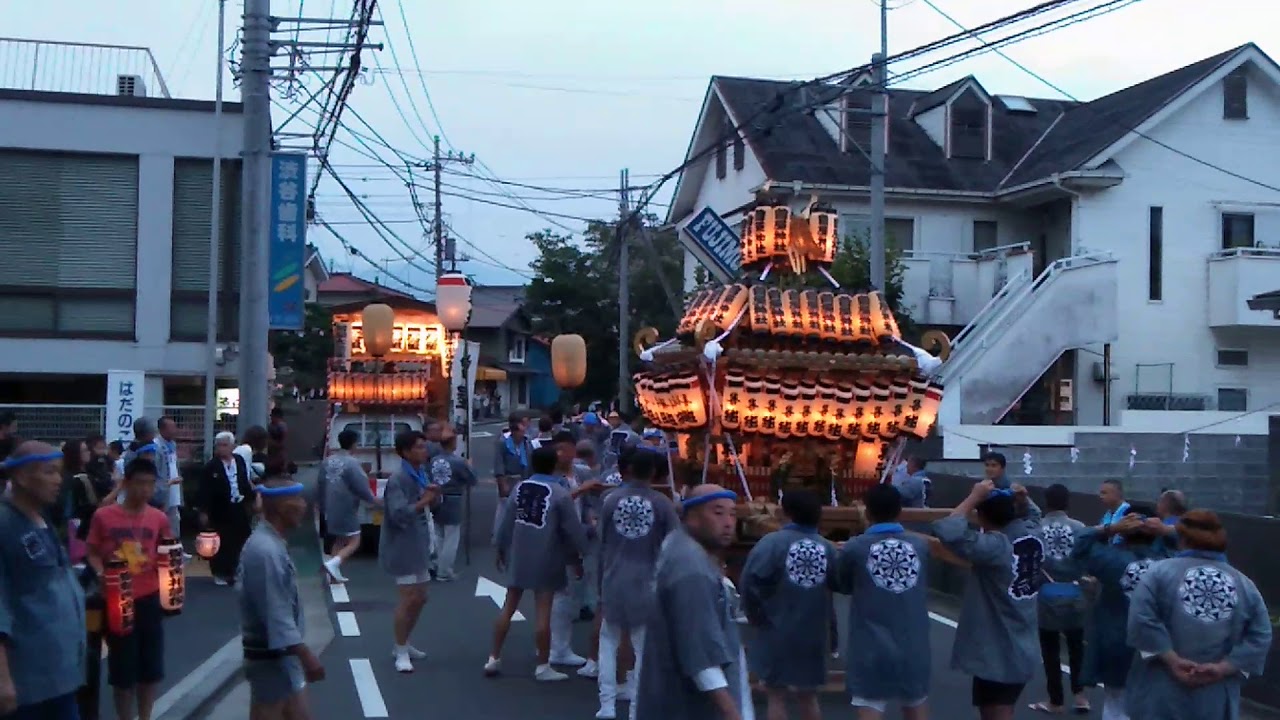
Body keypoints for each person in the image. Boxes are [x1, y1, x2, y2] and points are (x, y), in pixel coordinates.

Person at [1125, 510, 1271, 720]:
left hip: (1161, 688)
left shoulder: (1158, 573)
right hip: (1215, 692)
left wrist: (1171, 659)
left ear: (1181, 538)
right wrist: (1223, 667)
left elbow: (1141, 619)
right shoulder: (1245, 584)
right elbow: (1261, 634)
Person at [634, 484, 751, 720]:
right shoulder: (691, 568)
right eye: (717, 513)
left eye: (732, 514)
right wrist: (731, 711)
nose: (728, 522)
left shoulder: (681, 547)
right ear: (692, 517)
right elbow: (701, 657)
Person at [933, 479, 1044, 720]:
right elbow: (1035, 515)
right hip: (1021, 637)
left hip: (997, 645)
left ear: (981, 517)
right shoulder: (1034, 536)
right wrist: (1024, 498)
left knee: (998, 709)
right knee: (993, 707)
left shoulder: (995, 545)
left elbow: (948, 530)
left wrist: (973, 497)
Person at [486, 445, 590, 681]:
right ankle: (543, 665)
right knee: (543, 612)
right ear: (555, 465)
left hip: (519, 553)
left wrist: (501, 548)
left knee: (508, 606)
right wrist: (579, 556)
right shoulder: (560, 493)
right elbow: (572, 531)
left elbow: (506, 521)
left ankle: (493, 656)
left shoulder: (519, 488)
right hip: (548, 555)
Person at [0, 441, 86, 720]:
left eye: (59, 472)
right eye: (49, 472)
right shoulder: (5, 525)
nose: (58, 480)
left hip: (59, 674)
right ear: (23, 477)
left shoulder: (41, 518)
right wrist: (3, 681)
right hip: (26, 682)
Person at [830, 483, 931, 720]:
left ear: (867, 512)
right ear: (899, 511)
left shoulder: (855, 547)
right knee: (916, 703)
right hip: (913, 643)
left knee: (870, 703)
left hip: (870, 645)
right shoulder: (920, 546)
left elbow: (840, 583)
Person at [593, 449, 680, 720]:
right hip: (648, 581)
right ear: (654, 472)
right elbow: (675, 543)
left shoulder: (609, 500)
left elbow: (601, 542)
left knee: (608, 641)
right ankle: (636, 708)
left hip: (613, 576)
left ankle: (606, 705)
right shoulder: (662, 504)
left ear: (627, 469)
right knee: (644, 647)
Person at [86, 458, 172, 720]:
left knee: (150, 668)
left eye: (150, 484)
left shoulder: (159, 518)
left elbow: (167, 553)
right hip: (117, 598)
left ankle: (145, 716)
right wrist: (101, 572)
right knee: (123, 668)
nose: (145, 490)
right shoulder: (104, 515)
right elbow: (91, 551)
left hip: (149, 597)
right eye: (140, 483)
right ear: (126, 484)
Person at [739, 489, 835, 720]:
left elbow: (749, 581)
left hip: (776, 626)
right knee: (808, 696)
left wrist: (755, 614)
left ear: (786, 512)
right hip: (815, 629)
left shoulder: (771, 543)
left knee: (776, 694)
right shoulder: (827, 547)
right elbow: (838, 582)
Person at [239, 476, 326, 720]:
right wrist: (306, 654)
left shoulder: (270, 543)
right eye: (297, 500)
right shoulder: (265, 550)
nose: (304, 506)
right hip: (270, 656)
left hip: (279, 655)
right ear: (281, 508)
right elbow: (275, 611)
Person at [1073, 511, 1170, 720]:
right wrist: (1167, 530)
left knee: (1115, 703)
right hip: (1160, 645)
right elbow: (1198, 547)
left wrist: (1110, 528)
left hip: (1115, 639)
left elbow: (1078, 544)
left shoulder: (1108, 558)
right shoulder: (1170, 563)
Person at [378, 430, 441, 673]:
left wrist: (433, 498)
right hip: (403, 545)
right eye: (419, 447)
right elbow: (398, 513)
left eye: (424, 446)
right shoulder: (399, 479)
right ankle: (400, 649)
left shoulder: (421, 473)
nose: (424, 451)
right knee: (408, 598)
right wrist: (426, 500)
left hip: (421, 540)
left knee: (421, 596)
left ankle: (404, 642)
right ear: (405, 452)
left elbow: (428, 503)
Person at [1028, 484, 1090, 714]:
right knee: (1076, 646)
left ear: (1047, 502)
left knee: (1050, 649)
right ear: (1067, 502)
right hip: (1074, 592)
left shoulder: (1037, 529)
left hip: (1047, 593)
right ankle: (1080, 695)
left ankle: (1055, 700)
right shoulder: (1080, 528)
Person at [321, 430, 379, 583]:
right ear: (354, 443)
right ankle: (333, 564)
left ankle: (333, 574)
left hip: (330, 505)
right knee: (354, 540)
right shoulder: (352, 463)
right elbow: (361, 486)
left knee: (340, 539)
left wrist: (320, 504)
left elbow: (320, 483)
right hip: (346, 505)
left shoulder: (328, 461)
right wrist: (373, 500)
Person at [202, 432, 258, 587]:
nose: (221, 448)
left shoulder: (238, 460)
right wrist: (204, 511)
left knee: (241, 538)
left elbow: (244, 481)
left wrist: (252, 498)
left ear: (233, 447)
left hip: (239, 505)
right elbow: (205, 491)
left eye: (225, 445)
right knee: (222, 542)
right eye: (219, 445)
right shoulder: (211, 466)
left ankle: (235, 570)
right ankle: (220, 572)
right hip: (220, 508)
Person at [428, 427, 476, 582]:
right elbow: (472, 480)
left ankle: (437, 565)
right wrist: (469, 465)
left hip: (437, 497)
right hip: (453, 498)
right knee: (451, 537)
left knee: (439, 534)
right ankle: (445, 571)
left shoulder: (434, 460)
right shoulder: (458, 462)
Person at [154, 417, 186, 554]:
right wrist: (166, 485)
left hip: (174, 491)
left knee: (174, 519)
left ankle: (176, 547)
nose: (175, 430)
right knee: (163, 521)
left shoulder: (172, 444)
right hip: (163, 490)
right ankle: (168, 549)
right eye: (171, 427)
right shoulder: (156, 446)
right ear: (162, 429)